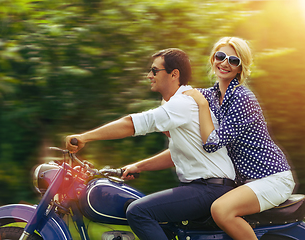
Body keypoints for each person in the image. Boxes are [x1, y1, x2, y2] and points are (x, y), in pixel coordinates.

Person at [66, 48, 237, 240]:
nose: (149, 75)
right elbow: (177, 153)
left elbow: (132, 124)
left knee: (139, 212)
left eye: (154, 71)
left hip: (209, 188)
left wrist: (85, 137)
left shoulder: (183, 103)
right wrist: (139, 166)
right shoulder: (174, 103)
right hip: (204, 186)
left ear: (174, 74)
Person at [183, 37, 296, 240]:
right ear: (212, 59)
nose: (225, 63)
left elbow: (212, 143)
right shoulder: (211, 95)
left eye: (233, 60)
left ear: (240, 67)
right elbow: (176, 97)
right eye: (220, 56)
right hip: (247, 182)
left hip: (271, 178)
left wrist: (200, 106)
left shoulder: (243, 97)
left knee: (221, 210)